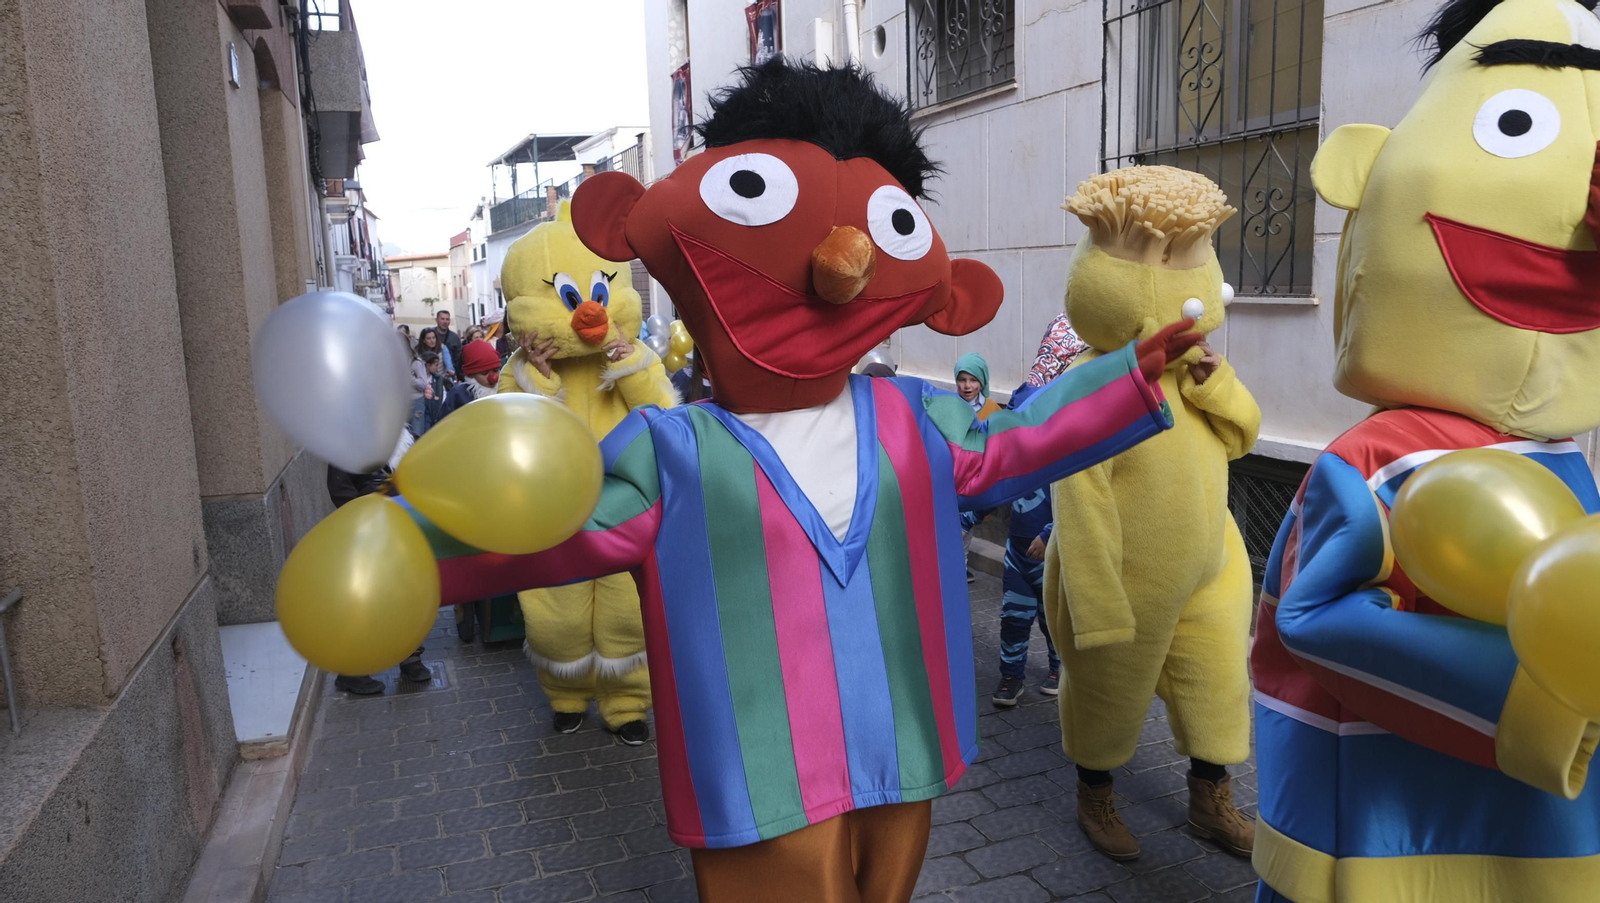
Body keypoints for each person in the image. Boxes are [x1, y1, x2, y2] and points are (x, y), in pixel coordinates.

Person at [392, 59, 1197, 903]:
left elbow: (1020, 437)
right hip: (760, 773)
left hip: (900, 746)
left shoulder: (912, 419)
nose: (842, 262)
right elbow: (548, 522)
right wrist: (406, 541)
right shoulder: (670, 454)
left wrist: (1125, 376)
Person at [1251, 3, 1600, 900]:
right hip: (1386, 844)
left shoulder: (1559, 446)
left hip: (1539, 837)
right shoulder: (1380, 453)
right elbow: (1316, 620)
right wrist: (1536, 697)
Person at [326, 430, 430, 694]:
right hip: (368, 529)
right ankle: (351, 670)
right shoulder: (349, 441)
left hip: (404, 527)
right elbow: (340, 489)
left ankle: (410, 657)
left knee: (407, 595)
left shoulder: (408, 437)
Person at [439, 340, 501, 416]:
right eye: (484, 373)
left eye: (495, 370)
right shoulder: (458, 396)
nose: (493, 378)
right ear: (471, 375)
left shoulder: (506, 389)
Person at [953, 352, 1002, 420]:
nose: (967, 386)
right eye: (962, 380)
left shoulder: (993, 410)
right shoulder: (946, 406)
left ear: (981, 382)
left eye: (973, 380)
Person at [406, 333, 431, 437]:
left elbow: (422, 384)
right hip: (401, 402)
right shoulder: (394, 361)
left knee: (416, 434)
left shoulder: (416, 362)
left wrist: (409, 378)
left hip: (416, 402)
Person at [434, 309, 463, 379]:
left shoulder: (455, 338)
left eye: (447, 319)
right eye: (442, 319)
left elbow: (458, 359)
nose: (445, 322)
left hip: (450, 375)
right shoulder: (430, 335)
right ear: (437, 320)